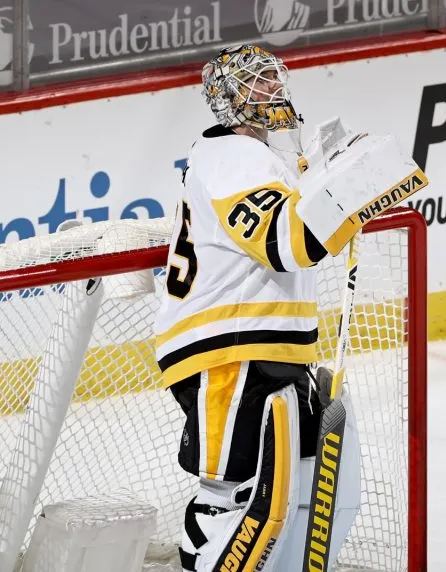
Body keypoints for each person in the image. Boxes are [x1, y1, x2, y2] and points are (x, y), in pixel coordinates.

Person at [153, 44, 424, 572]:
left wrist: (332, 177)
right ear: (228, 99)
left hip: (262, 345)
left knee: (284, 483)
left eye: (274, 78)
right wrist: (349, 192)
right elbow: (286, 243)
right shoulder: (235, 157)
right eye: (257, 81)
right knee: (230, 494)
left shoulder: (260, 157)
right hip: (228, 348)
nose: (273, 89)